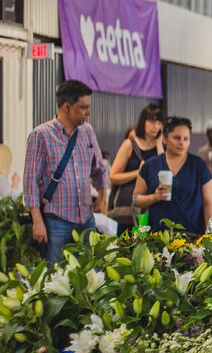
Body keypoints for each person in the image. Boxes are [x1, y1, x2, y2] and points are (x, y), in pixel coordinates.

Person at [23, 80, 108, 264]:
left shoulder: (87, 131)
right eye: (83, 107)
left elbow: (99, 168)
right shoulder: (40, 135)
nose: (89, 112)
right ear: (67, 106)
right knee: (56, 278)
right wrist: (37, 221)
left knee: (90, 276)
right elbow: (30, 183)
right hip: (56, 222)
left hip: (86, 219)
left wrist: (102, 196)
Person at [133, 117, 212, 234]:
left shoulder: (199, 165)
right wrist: (154, 197)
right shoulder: (150, 165)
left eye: (186, 139)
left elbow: (208, 202)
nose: (182, 143)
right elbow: (136, 199)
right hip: (159, 237)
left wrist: (210, 233)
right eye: (177, 138)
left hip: (193, 236)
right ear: (165, 139)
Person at [108, 104, 164, 229]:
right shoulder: (129, 144)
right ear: (143, 121)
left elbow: (164, 174)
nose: (156, 126)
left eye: (159, 122)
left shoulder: (162, 147)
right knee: (127, 245)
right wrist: (138, 172)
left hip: (153, 207)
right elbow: (112, 176)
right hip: (127, 208)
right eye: (151, 121)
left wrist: (160, 144)